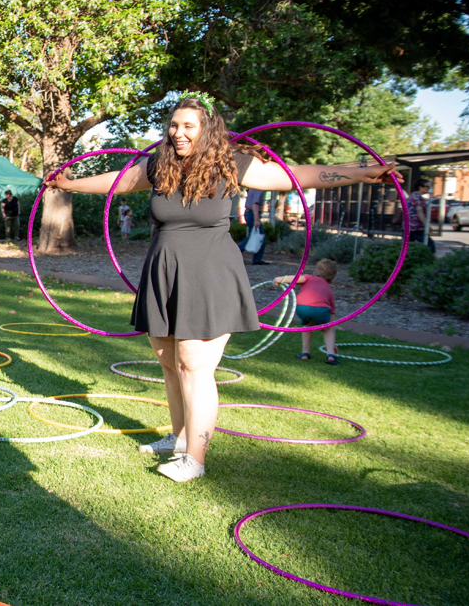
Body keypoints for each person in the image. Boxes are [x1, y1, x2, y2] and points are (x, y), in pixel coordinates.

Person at [44, 93, 396, 482]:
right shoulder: (160, 163)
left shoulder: (231, 163)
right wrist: (70, 183)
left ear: (207, 129)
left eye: (188, 126)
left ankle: (195, 458)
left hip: (210, 274)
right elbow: (120, 181)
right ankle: (177, 438)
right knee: (169, 363)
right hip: (164, 271)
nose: (178, 133)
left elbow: (296, 175)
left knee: (195, 366)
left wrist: (360, 172)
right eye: (174, 126)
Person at [274, 259, 339, 365]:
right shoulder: (329, 291)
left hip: (302, 307)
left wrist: (278, 279)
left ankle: (305, 352)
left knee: (307, 326)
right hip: (321, 309)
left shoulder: (308, 277)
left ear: (314, 273)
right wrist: (332, 342)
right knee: (327, 330)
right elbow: (332, 317)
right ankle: (331, 354)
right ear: (332, 280)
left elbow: (295, 278)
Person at [236, 187, 269, 265]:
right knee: (256, 238)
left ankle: (257, 259)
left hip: (250, 213)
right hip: (252, 213)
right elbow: (255, 203)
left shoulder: (254, 186)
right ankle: (232, 252)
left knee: (254, 237)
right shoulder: (259, 187)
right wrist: (256, 219)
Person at [410, 179, 435, 254]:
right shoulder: (417, 197)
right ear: (420, 187)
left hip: (409, 226)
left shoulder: (413, 195)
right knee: (430, 245)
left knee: (409, 246)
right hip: (415, 226)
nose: (428, 188)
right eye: (426, 187)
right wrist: (427, 225)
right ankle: (433, 261)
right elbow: (420, 212)